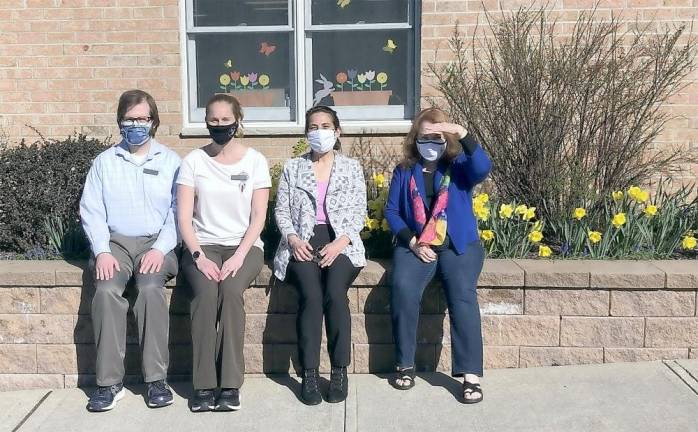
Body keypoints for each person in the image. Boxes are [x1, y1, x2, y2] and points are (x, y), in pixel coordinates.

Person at [80, 89, 180, 412]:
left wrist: (161, 248)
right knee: (107, 290)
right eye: (130, 119)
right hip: (116, 243)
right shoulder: (105, 162)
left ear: (153, 122)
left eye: (142, 118)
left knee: (150, 288)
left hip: (156, 243)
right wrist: (102, 251)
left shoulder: (171, 162)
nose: (136, 124)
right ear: (120, 121)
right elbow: (91, 210)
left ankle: (156, 380)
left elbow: (180, 212)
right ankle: (109, 384)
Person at [384, 107, 492, 404]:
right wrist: (413, 241)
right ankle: (405, 365)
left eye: (436, 136)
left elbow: (482, 167)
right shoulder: (405, 170)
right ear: (414, 138)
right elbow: (392, 211)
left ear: (446, 137)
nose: (429, 142)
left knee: (462, 296)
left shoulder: (458, 166)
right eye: (424, 136)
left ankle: (471, 376)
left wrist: (465, 135)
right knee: (403, 288)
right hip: (418, 244)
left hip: (458, 244)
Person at [177, 94, 270, 412]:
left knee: (230, 291)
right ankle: (203, 385)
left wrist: (239, 256)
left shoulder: (255, 161)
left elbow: (259, 217)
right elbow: (184, 217)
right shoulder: (193, 161)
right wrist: (199, 257)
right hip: (202, 247)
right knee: (204, 293)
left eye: (225, 120)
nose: (219, 125)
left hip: (243, 247)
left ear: (238, 120)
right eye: (212, 120)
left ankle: (230, 384)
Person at [273, 106, 366, 405]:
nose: (319, 131)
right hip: (302, 240)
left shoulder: (352, 167)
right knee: (311, 295)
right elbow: (282, 210)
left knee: (335, 294)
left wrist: (340, 243)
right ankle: (309, 374)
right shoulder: (293, 167)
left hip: (341, 241)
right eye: (313, 126)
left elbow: (358, 211)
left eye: (326, 126)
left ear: (337, 132)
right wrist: (293, 238)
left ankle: (339, 370)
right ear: (306, 132)